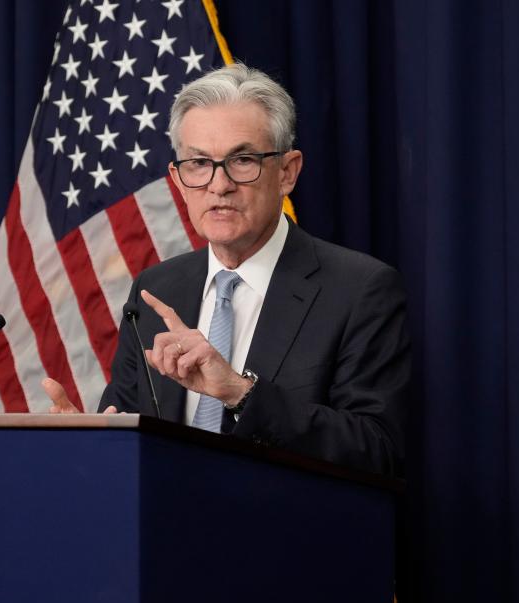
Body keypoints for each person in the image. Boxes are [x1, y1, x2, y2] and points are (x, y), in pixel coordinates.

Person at [42, 64, 409, 476]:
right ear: (178, 180)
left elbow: (377, 449)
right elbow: (131, 434)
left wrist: (240, 392)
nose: (219, 185)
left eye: (243, 160)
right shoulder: (156, 288)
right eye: (199, 163)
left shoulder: (359, 290)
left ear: (287, 172)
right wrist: (87, 440)